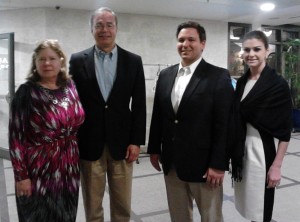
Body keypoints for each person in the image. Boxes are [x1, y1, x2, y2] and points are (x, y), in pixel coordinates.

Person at [147, 21, 234, 222]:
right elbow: (159, 115)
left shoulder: (218, 76)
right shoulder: (166, 75)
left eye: (191, 39)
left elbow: (224, 125)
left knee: (210, 217)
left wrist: (218, 164)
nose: (185, 44)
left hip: (205, 166)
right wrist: (154, 149)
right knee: (179, 216)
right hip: (172, 162)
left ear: (202, 43)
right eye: (181, 40)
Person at [69, 7, 146, 222]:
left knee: (122, 203)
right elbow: (72, 103)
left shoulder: (133, 61)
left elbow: (139, 105)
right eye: (99, 25)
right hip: (89, 142)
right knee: (93, 204)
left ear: (117, 28)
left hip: (122, 144)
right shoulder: (77, 60)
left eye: (109, 25)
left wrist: (136, 141)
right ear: (91, 29)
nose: (104, 30)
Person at [9, 39, 85, 222]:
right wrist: (21, 176)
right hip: (38, 170)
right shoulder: (26, 92)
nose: (47, 63)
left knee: (66, 215)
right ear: (35, 63)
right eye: (41, 59)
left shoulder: (70, 87)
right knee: (38, 216)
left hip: (69, 168)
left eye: (52, 58)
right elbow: (15, 138)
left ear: (61, 61)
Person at [230, 30, 293, 222]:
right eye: (247, 50)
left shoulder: (277, 84)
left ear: (267, 51)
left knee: (260, 208)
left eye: (257, 49)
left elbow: (285, 130)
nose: (251, 54)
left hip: (261, 151)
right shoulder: (241, 82)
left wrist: (276, 166)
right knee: (247, 204)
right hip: (241, 150)